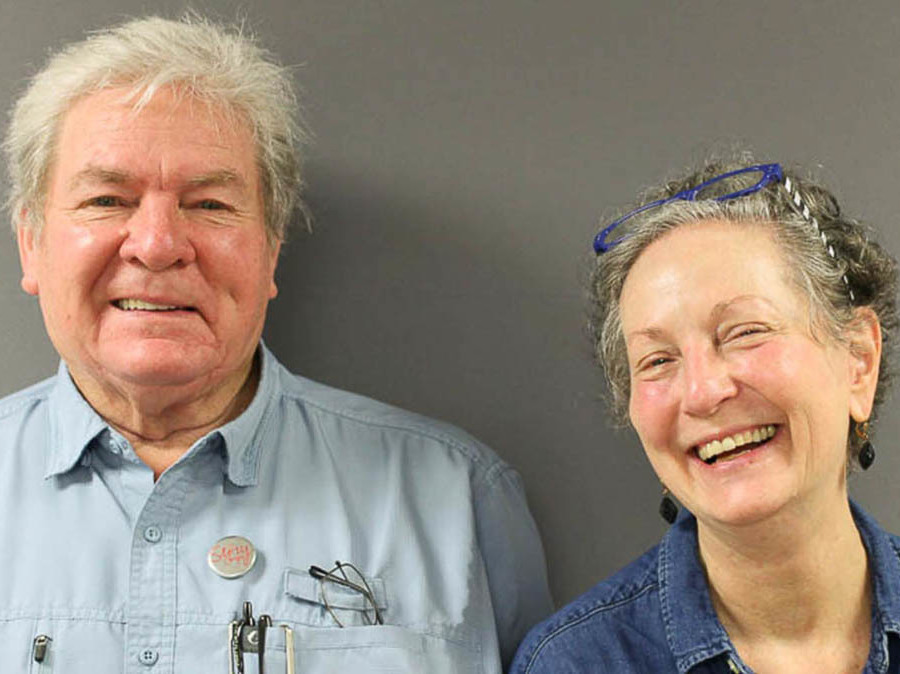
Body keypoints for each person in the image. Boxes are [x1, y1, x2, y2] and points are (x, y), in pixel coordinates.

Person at [0, 14, 551, 672]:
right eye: (107, 200)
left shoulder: (456, 499)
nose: (157, 245)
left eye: (209, 204)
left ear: (271, 248)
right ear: (30, 242)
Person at [511, 156, 900, 673]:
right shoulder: (579, 663)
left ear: (858, 360)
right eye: (658, 360)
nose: (702, 393)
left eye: (744, 332)